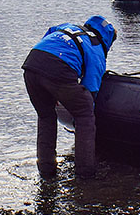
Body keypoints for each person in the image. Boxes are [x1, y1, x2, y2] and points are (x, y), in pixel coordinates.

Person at [21, 16, 117, 176]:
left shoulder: (68, 27)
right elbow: (91, 88)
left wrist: (55, 90)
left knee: (45, 117)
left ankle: (46, 170)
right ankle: (85, 174)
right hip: (59, 69)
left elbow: (49, 34)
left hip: (32, 64)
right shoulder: (96, 47)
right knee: (85, 116)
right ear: (107, 38)